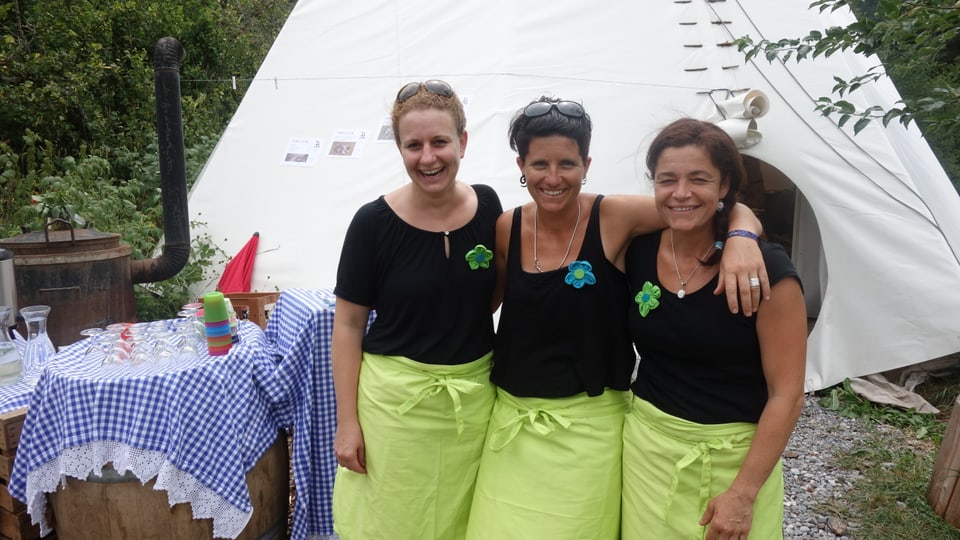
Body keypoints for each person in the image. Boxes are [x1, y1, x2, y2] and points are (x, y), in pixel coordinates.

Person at [464, 97, 768, 540]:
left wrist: (742, 234)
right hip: (512, 427)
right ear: (521, 166)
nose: (553, 178)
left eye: (566, 163)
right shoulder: (507, 226)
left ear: (586, 164)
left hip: (590, 430)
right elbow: (486, 303)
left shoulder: (614, 216)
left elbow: (696, 205)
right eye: (540, 165)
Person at [331, 80, 503, 540]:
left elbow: (491, 294)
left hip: (472, 404)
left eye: (440, 142)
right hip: (395, 410)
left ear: (462, 143)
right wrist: (347, 423)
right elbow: (347, 326)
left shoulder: (489, 206)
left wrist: (725, 232)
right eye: (414, 145)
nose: (428, 157)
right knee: (393, 520)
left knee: (464, 518)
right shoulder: (373, 224)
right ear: (401, 150)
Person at [621, 118, 807, 539]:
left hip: (733, 460)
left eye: (699, 179)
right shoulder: (639, 249)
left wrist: (743, 493)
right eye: (667, 179)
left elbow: (788, 395)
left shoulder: (767, 270)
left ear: (724, 187)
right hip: (647, 455)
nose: (681, 193)